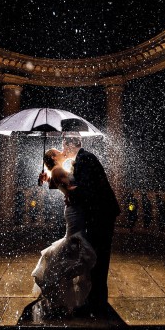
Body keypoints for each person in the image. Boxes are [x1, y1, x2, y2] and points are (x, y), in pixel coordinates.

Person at [39, 135, 120, 318]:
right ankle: (93, 301)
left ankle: (97, 303)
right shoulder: (80, 159)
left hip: (102, 215)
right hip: (95, 215)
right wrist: (50, 178)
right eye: (60, 147)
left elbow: (85, 188)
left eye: (63, 145)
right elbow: (70, 183)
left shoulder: (86, 158)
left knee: (98, 258)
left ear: (70, 144)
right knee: (93, 256)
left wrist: (66, 189)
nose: (62, 150)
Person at [31, 148, 97, 317]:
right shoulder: (58, 170)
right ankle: (61, 280)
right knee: (73, 242)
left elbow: (58, 184)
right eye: (57, 151)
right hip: (74, 210)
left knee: (72, 243)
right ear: (53, 157)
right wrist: (79, 187)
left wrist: (48, 179)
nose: (61, 151)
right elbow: (70, 189)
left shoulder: (55, 170)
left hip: (72, 209)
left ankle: (61, 283)